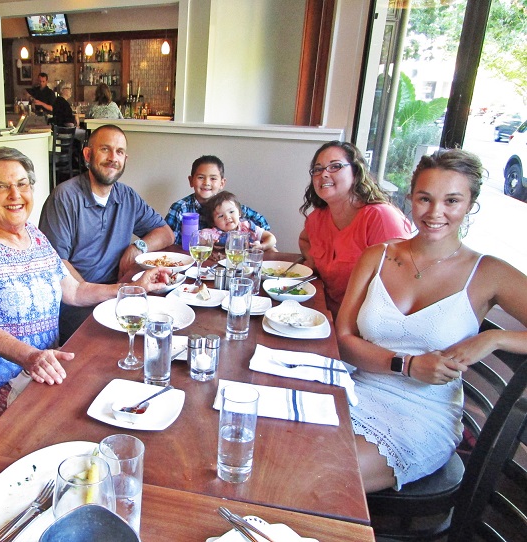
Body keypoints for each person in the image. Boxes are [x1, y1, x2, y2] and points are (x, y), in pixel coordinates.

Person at [336, 149, 527, 493]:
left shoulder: (489, 272)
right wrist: (407, 364)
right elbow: (344, 341)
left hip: (422, 414)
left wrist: (494, 339)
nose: (435, 212)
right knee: (278, 450)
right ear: (411, 198)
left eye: (452, 200)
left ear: (470, 205)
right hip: (353, 389)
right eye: (425, 198)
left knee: (326, 472)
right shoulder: (377, 256)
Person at [0, 147, 171, 438]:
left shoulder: (35, 236)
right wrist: (32, 357)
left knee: (114, 394)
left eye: (22, 184)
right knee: (86, 425)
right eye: (1, 186)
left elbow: (75, 292)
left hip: (46, 370)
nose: (15, 195)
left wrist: (132, 289)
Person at [39, 125, 175, 342]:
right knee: (129, 343)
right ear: (87, 155)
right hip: (78, 305)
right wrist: (102, 293)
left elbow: (166, 233)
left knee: (167, 322)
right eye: (105, 149)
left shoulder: (127, 196)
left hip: (118, 293)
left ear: (125, 160)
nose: (113, 158)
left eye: (119, 152)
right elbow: (57, 263)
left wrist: (138, 247)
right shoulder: (64, 198)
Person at [298, 141, 411, 318]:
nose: (324, 174)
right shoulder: (317, 218)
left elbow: (402, 282)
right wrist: (312, 261)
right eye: (318, 169)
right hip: (324, 314)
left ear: (356, 172)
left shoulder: (381, 217)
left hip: (365, 323)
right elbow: (304, 240)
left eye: (335, 166)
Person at [165, 155, 271, 245]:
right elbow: (168, 238)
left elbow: (263, 225)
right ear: (191, 181)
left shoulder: (231, 207)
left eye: (213, 178)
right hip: (191, 257)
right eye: (201, 177)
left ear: (222, 183)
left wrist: (254, 241)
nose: (206, 183)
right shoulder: (180, 208)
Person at [201, 191, 277, 250]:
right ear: (213, 222)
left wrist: (262, 246)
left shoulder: (247, 227)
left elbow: (271, 238)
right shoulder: (212, 234)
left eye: (231, 212)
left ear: (239, 213)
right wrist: (207, 243)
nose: (227, 217)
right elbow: (197, 241)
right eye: (220, 216)